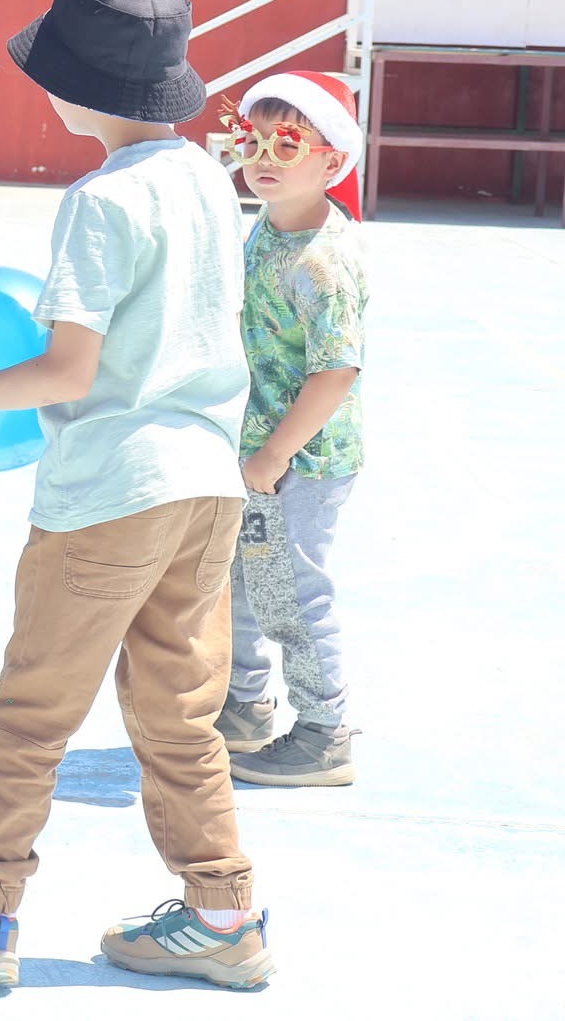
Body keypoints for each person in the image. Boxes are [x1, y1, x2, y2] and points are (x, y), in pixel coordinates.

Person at [0, 0, 272, 991]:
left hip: (109, 487)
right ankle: (223, 913)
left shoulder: (99, 201)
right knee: (178, 711)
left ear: (78, 89)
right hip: (204, 482)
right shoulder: (203, 177)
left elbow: (69, 368)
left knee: (32, 710)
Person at [212, 72, 369, 788]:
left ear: (333, 161)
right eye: (253, 140)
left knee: (294, 590)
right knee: (243, 577)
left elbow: (337, 370)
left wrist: (277, 452)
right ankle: (243, 704)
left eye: (288, 142)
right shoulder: (270, 225)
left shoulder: (322, 260)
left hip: (301, 459)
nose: (264, 157)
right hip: (261, 453)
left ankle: (324, 730)